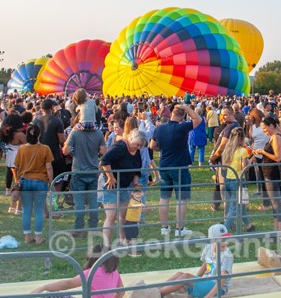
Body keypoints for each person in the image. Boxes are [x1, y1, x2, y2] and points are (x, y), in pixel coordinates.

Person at [150, 103, 202, 237]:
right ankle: (179, 229)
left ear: (171, 113)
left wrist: (162, 148)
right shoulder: (182, 127)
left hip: (164, 165)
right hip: (179, 167)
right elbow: (198, 119)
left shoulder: (159, 128)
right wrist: (186, 107)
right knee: (182, 199)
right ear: (183, 116)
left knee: (164, 198)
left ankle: (164, 228)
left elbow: (152, 145)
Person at [63, 109, 108, 235]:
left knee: (79, 202)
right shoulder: (98, 133)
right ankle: (93, 227)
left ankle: (79, 228)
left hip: (78, 170)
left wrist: (72, 148)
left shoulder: (75, 132)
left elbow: (65, 151)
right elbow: (104, 151)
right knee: (93, 200)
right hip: (93, 169)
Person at [159, 224, 234, 298]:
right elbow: (204, 267)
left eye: (226, 239)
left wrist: (209, 296)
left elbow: (222, 279)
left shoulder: (227, 255)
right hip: (207, 282)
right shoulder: (208, 248)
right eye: (221, 240)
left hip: (219, 289)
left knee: (186, 277)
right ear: (212, 240)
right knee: (179, 274)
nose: (224, 242)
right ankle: (156, 289)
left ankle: (156, 295)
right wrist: (195, 280)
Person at [100, 129, 144, 246]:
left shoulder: (136, 151)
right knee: (111, 216)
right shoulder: (120, 147)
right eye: (136, 144)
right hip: (111, 185)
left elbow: (137, 168)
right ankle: (107, 245)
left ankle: (123, 240)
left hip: (124, 185)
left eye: (140, 145)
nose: (138, 147)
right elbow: (104, 160)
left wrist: (135, 183)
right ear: (130, 139)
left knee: (123, 215)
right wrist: (110, 177)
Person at [13, 122, 54, 244]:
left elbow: (16, 167)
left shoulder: (22, 149)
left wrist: (17, 180)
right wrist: (51, 182)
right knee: (39, 210)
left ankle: (27, 237)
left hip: (25, 181)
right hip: (40, 181)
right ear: (39, 134)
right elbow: (49, 168)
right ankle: (38, 237)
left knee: (26, 210)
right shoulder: (45, 149)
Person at [30, 243, 122, 298]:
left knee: (51, 294)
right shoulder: (115, 272)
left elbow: (68, 283)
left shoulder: (93, 272)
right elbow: (121, 292)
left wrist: (44, 287)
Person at [253, 116, 281, 236]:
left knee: (277, 205)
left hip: (272, 174)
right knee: (274, 204)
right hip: (268, 173)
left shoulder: (276, 138)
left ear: (271, 126)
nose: (263, 131)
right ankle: (276, 232)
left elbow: (278, 158)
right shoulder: (272, 137)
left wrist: (262, 152)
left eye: (264, 128)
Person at [220, 127, 254, 232]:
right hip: (238, 180)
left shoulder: (227, 149)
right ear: (241, 138)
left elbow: (224, 167)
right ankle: (223, 229)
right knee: (234, 208)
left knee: (241, 204)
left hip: (228, 180)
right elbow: (245, 168)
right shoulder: (243, 151)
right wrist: (252, 158)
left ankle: (248, 225)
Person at [34, 98, 66, 214]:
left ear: (42, 109)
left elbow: (33, 139)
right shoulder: (57, 121)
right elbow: (62, 139)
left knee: (42, 183)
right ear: (52, 108)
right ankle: (54, 208)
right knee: (57, 183)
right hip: (54, 154)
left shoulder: (36, 121)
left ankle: (44, 211)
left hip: (39, 155)